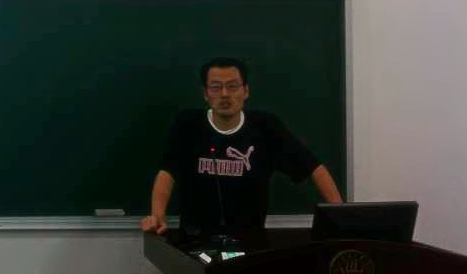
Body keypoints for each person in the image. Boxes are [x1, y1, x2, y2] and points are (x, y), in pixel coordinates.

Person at [141, 57, 342, 235]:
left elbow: (315, 169)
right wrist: (158, 216)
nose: (225, 94)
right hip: (194, 241)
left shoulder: (266, 127)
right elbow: (167, 172)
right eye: (216, 87)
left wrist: (339, 215)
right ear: (205, 94)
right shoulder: (188, 124)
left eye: (232, 86)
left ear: (246, 91)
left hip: (251, 243)